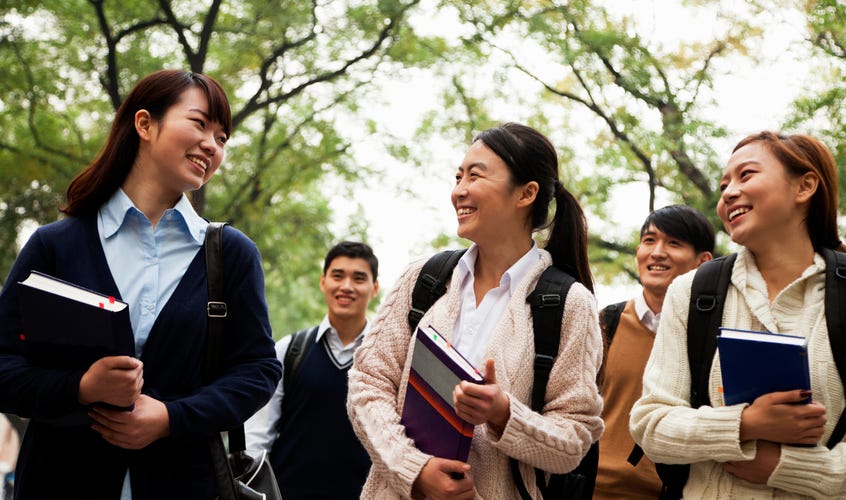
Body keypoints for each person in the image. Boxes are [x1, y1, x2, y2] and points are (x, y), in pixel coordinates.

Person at [0, 69, 282, 499]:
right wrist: (80, 388)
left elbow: (258, 370)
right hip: (58, 480)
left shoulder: (231, 255)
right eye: (200, 123)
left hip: (186, 484)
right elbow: (4, 364)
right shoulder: (56, 245)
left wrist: (172, 417)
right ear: (145, 124)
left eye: (223, 137)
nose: (212, 144)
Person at [629, 131, 846, 498]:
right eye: (725, 184)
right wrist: (744, 424)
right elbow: (650, 425)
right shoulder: (692, 293)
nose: (728, 193)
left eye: (746, 175)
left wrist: (785, 467)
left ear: (805, 187)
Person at [347, 122, 604, 499]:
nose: (459, 191)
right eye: (457, 176)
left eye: (475, 175)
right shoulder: (423, 279)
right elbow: (367, 385)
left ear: (526, 193)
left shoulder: (569, 304)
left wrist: (503, 413)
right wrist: (415, 471)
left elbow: (574, 441)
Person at [594, 205, 714, 499]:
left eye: (674, 243)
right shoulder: (605, 323)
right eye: (649, 241)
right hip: (591, 490)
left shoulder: (711, 338)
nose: (657, 252)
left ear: (703, 261)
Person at [245, 241, 380, 499]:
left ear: (374, 288)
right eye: (338, 276)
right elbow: (257, 438)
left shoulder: (386, 357)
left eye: (359, 278)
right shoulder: (290, 350)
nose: (346, 286)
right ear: (323, 282)